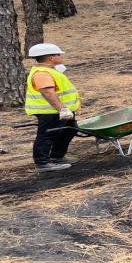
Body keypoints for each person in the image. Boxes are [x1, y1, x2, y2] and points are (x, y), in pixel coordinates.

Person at [24, 43, 81, 172]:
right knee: (47, 135)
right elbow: (48, 93)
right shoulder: (42, 74)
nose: (61, 56)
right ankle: (42, 162)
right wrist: (62, 109)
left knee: (70, 129)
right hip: (50, 111)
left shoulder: (50, 70)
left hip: (59, 110)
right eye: (58, 54)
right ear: (50, 57)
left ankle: (56, 157)